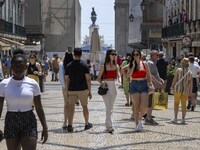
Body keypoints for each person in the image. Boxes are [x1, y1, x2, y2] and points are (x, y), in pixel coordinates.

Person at [0, 49, 48, 150]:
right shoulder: (4, 84)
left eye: (21, 66)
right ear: (11, 67)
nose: (18, 69)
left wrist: (45, 127)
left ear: (25, 67)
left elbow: (39, 107)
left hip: (28, 120)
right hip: (11, 121)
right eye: (15, 66)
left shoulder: (33, 84)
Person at [65, 48, 92, 132]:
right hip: (82, 89)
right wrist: (90, 91)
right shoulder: (84, 65)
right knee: (84, 106)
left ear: (73, 55)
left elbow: (66, 79)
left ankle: (70, 125)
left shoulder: (68, 65)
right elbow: (88, 79)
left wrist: (66, 90)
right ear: (81, 54)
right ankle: (86, 124)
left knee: (71, 107)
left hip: (71, 89)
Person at [127, 50, 153, 132]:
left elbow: (148, 75)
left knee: (144, 105)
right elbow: (128, 75)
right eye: (134, 55)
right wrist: (134, 66)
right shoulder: (131, 65)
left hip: (143, 83)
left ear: (140, 55)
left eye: (137, 54)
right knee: (136, 106)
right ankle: (137, 124)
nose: (135, 56)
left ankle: (140, 119)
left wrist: (151, 84)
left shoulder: (145, 64)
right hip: (134, 84)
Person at [97, 49, 121, 133]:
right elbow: (98, 78)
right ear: (108, 55)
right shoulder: (104, 66)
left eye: (115, 54)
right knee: (108, 107)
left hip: (113, 86)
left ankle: (107, 123)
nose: (114, 56)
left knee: (111, 107)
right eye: (112, 54)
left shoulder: (116, 66)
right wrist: (102, 83)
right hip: (106, 86)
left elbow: (119, 76)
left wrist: (120, 82)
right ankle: (110, 126)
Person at [170, 58, 192, 124]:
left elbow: (175, 79)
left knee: (176, 104)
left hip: (177, 89)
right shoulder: (189, 72)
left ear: (182, 63)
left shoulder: (178, 70)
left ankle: (175, 118)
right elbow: (190, 83)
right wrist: (190, 92)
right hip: (185, 90)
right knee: (184, 105)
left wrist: (172, 86)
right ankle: (183, 119)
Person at [146, 50, 164, 125]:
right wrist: (157, 82)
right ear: (153, 56)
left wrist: (160, 79)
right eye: (157, 55)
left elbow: (154, 74)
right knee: (150, 101)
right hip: (151, 85)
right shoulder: (151, 63)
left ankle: (148, 116)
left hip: (152, 85)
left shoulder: (151, 63)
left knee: (151, 102)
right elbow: (150, 75)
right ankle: (148, 118)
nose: (158, 57)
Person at [59, 51, 74, 130]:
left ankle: (65, 121)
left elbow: (61, 76)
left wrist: (65, 55)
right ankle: (70, 122)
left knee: (66, 104)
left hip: (64, 86)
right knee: (71, 105)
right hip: (72, 86)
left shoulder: (62, 64)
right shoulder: (72, 64)